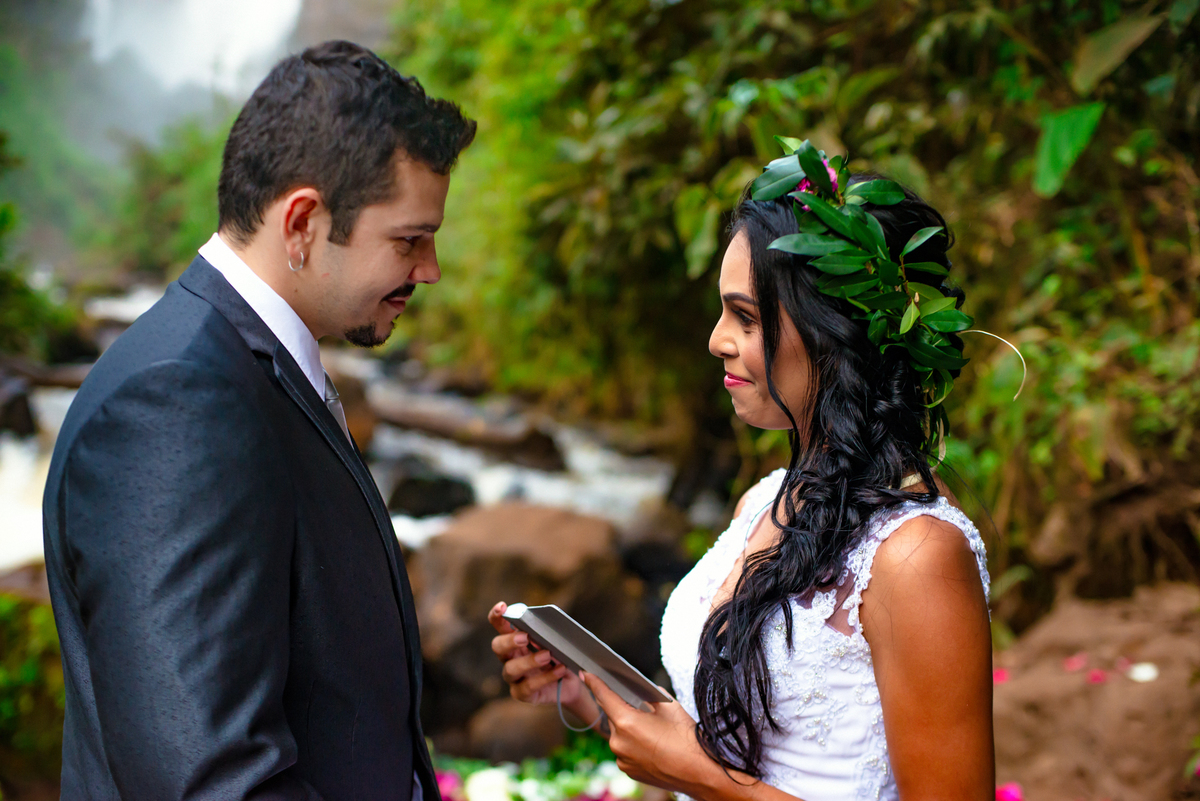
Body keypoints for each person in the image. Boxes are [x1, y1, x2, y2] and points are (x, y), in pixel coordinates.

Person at [42, 41, 475, 800]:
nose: (430, 270)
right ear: (303, 222)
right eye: (409, 239)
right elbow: (211, 777)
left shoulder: (240, 364)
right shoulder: (177, 401)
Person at [489, 152, 994, 800]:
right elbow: (732, 738)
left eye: (746, 318)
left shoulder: (918, 557)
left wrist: (700, 778)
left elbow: (710, 772)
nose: (715, 339)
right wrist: (583, 690)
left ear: (833, 334)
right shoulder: (763, 502)